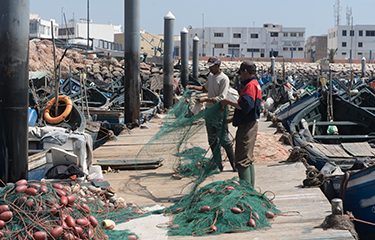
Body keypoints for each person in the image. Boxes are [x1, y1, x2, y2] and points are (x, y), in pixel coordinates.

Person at [186, 56, 236, 172]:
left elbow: (222, 98)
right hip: (209, 112)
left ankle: (234, 166)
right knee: (212, 141)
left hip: (219, 112)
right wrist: (193, 87)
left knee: (225, 140)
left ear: (218, 65)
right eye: (208, 67)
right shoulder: (211, 76)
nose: (209, 69)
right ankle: (219, 166)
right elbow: (205, 88)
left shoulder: (224, 79)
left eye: (211, 66)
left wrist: (204, 100)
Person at [220, 60, 262, 186]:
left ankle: (246, 191)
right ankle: (250, 189)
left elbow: (245, 106)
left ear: (245, 71)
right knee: (248, 159)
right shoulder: (256, 84)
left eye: (241, 73)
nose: (241, 76)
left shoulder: (250, 86)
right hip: (251, 124)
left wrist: (227, 102)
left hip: (246, 127)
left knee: (242, 160)